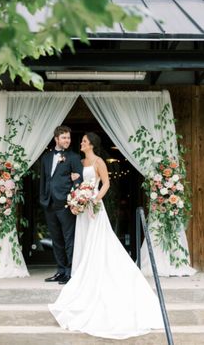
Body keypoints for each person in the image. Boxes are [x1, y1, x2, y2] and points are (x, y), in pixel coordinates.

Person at [48, 132, 164, 339]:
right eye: (81, 141)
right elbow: (74, 182)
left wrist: (93, 199)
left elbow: (106, 183)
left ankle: (97, 270)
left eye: (84, 141)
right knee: (82, 242)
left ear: (91, 144)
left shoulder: (99, 161)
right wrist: (77, 197)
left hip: (93, 207)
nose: (81, 143)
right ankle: (82, 271)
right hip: (81, 208)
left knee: (98, 242)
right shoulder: (79, 161)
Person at [40, 125, 83, 284]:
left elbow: (79, 181)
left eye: (69, 138)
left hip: (66, 204)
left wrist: (74, 200)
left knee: (69, 238)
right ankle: (60, 270)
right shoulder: (45, 158)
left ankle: (70, 272)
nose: (67, 140)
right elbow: (44, 180)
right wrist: (43, 198)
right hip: (49, 203)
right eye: (64, 137)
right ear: (56, 139)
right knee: (56, 239)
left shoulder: (73, 157)